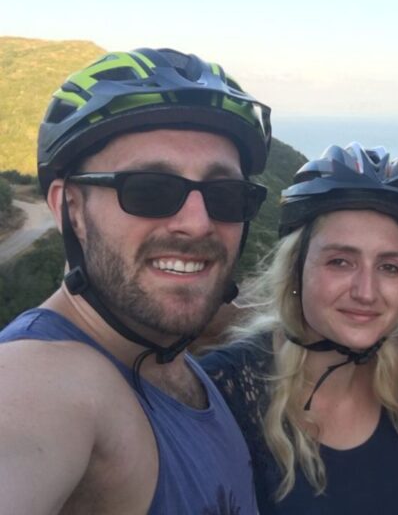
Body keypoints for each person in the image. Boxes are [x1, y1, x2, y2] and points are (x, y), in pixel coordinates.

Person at [0, 48, 271, 514]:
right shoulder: (43, 380)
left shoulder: (168, 349)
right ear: (71, 209)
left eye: (225, 195)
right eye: (149, 189)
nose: (197, 223)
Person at [201, 142, 398, 514]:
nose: (366, 292)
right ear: (296, 270)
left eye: (389, 267)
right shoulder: (222, 390)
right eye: (340, 261)